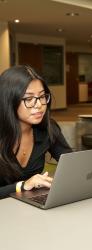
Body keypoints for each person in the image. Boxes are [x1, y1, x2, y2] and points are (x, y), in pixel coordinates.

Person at [0, 65, 72, 199]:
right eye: (28, 99)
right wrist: (21, 186)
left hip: (30, 208)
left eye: (42, 96)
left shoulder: (47, 128)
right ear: (8, 101)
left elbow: (73, 162)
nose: (39, 104)